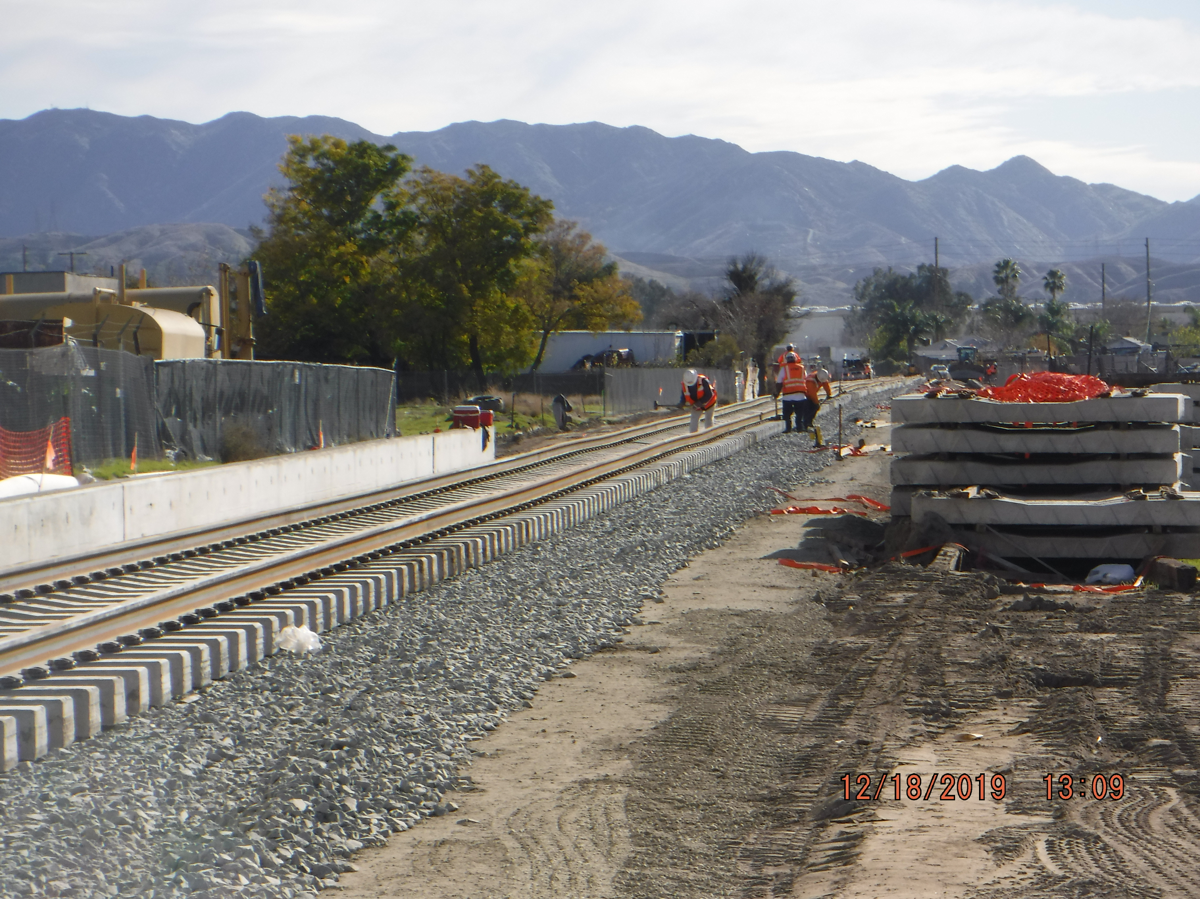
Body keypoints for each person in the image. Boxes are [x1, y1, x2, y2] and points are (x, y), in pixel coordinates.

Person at [775, 352, 809, 433]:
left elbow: (779, 382)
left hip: (788, 395)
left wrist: (777, 393)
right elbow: (805, 379)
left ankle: (788, 428)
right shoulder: (802, 368)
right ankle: (799, 427)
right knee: (799, 413)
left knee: (787, 414)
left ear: (786, 360)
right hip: (800, 395)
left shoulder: (784, 369)